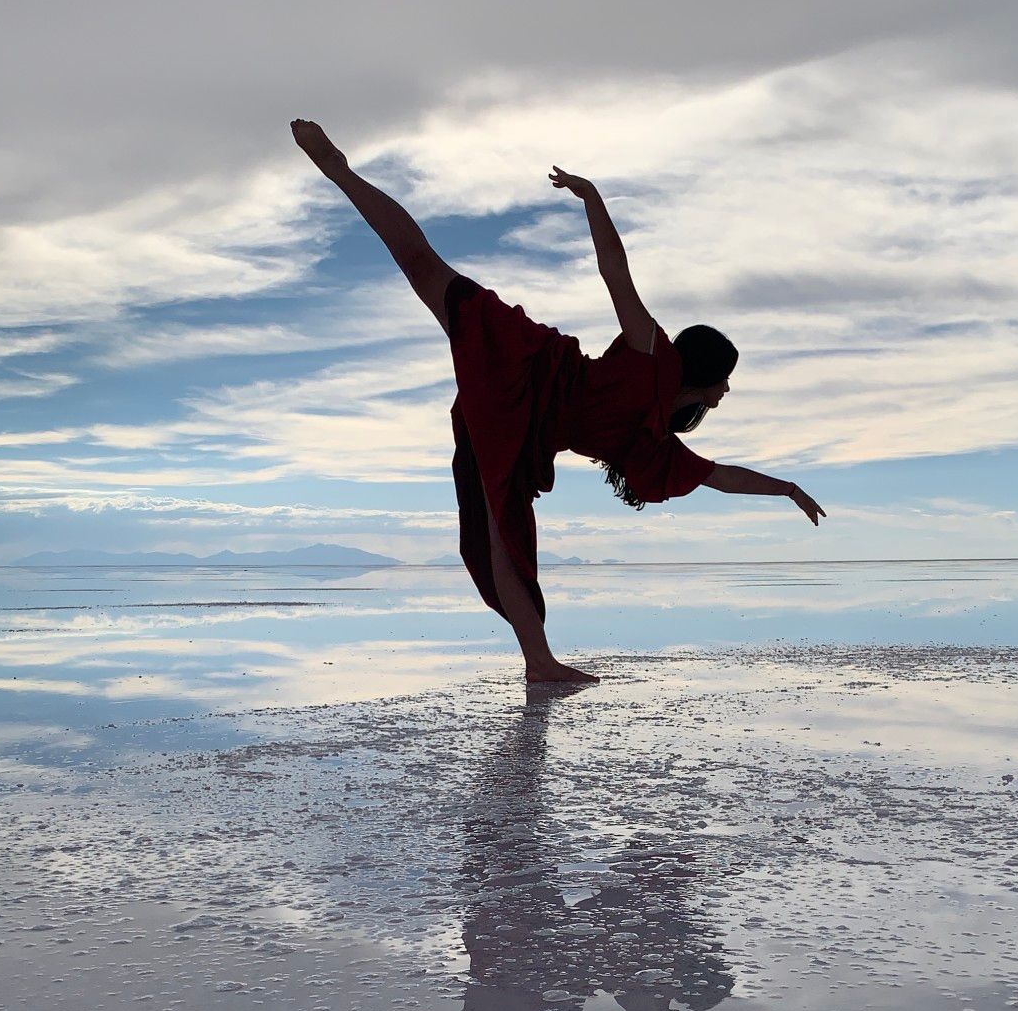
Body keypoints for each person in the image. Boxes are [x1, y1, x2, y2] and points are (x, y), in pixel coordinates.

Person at [291, 119, 826, 684]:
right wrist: (591, 196)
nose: (724, 394)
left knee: (506, 529)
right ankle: (340, 171)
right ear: (707, 373)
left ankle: (538, 663)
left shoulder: (652, 441)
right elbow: (614, 270)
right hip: (528, 363)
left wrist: (785, 488)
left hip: (525, 429)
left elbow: (720, 476)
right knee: (424, 268)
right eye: (725, 383)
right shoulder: (652, 352)